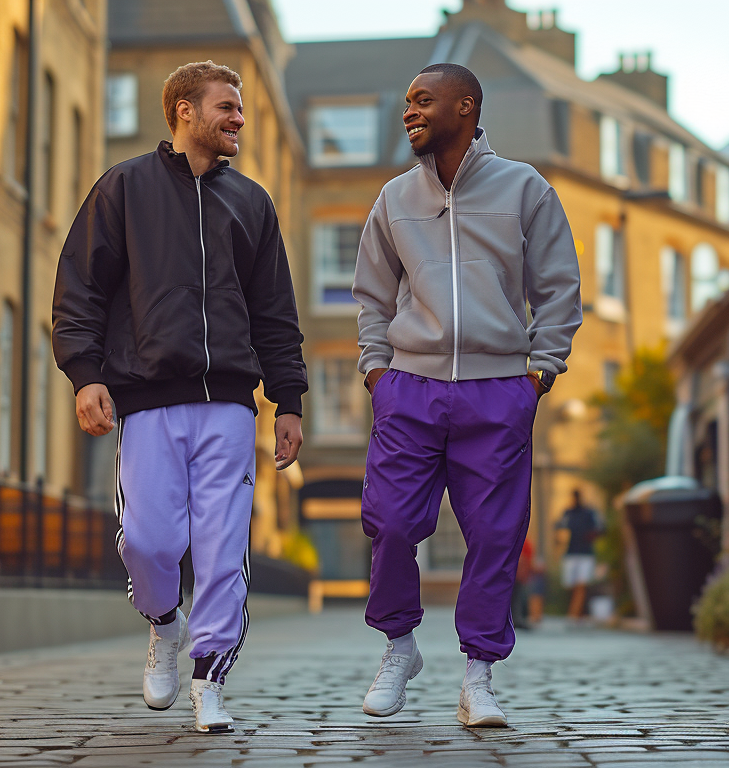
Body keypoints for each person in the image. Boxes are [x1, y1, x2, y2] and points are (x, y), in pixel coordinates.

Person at [52, 61, 307, 733]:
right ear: (183, 111)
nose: (239, 119)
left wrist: (289, 401)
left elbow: (275, 313)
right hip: (146, 400)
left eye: (241, 108)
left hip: (228, 404)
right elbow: (79, 289)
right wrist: (86, 375)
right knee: (147, 540)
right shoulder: (124, 188)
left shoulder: (252, 203)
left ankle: (210, 681)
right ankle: (164, 624)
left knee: (224, 549)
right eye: (226, 107)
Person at [352, 63, 582, 728]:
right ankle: (399, 647)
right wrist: (378, 374)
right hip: (410, 390)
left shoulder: (524, 189)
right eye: (406, 101)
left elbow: (558, 289)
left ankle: (479, 676)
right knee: (391, 522)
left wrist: (539, 373)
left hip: (498, 391)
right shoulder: (394, 198)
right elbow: (370, 295)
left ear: (466, 106)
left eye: (423, 100)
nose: (410, 111)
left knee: (496, 536)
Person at [555, 489, 604, 621]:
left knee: (582, 583)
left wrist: (591, 536)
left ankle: (574, 613)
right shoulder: (568, 513)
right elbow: (558, 527)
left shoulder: (589, 513)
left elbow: (601, 528)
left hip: (585, 552)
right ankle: (577, 611)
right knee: (570, 584)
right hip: (570, 552)